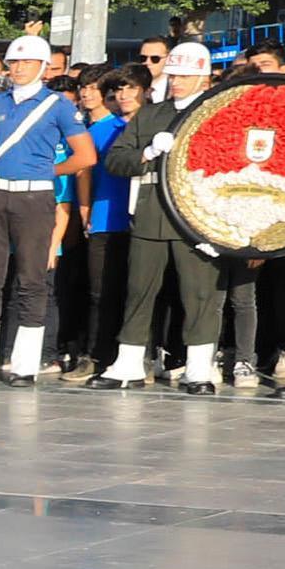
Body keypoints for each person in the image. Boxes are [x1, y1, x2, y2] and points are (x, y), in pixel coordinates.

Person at [0, 32, 99, 390]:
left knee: (31, 279)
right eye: (15, 61)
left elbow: (85, 156)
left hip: (34, 198)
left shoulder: (57, 105)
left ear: (42, 67)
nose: (20, 68)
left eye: (28, 62)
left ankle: (26, 362)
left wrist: (45, 171)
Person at [97, 42, 223, 391]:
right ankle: (129, 363)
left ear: (203, 77)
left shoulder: (216, 112)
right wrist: (148, 152)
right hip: (153, 210)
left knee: (199, 293)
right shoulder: (151, 114)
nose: (177, 82)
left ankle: (199, 366)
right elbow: (116, 160)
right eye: (173, 75)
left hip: (196, 213)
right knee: (140, 288)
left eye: (185, 75)